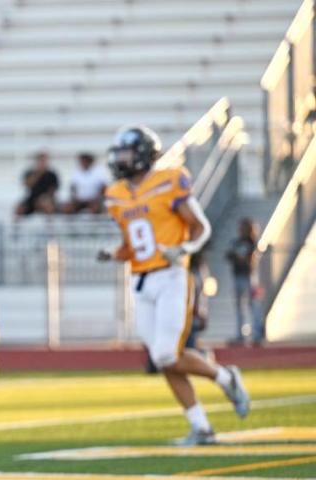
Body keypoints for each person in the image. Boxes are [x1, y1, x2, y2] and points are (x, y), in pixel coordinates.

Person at [98, 126, 250, 446]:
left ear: (142, 154)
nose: (120, 159)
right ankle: (202, 426)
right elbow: (133, 244)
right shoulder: (116, 195)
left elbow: (200, 227)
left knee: (167, 354)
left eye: (126, 152)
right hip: (140, 281)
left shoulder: (170, 180)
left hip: (171, 276)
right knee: (162, 356)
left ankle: (226, 379)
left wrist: (185, 250)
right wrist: (114, 253)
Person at [225, 218, 264, 346]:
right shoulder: (235, 242)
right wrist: (239, 257)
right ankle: (240, 335)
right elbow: (229, 256)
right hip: (237, 276)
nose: (241, 230)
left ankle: (257, 334)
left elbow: (249, 258)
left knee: (254, 306)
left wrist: (240, 257)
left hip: (250, 277)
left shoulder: (252, 242)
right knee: (239, 307)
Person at [14, 151, 59, 217]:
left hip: (47, 199)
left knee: (47, 205)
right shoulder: (30, 172)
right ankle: (17, 226)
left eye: (44, 160)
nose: (42, 162)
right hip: (32, 199)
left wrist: (45, 198)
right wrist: (38, 173)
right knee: (19, 208)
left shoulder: (51, 174)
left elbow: (53, 190)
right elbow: (26, 184)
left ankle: (50, 226)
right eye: (40, 160)